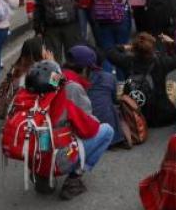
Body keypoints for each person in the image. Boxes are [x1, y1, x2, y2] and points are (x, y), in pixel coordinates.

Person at [26, 60, 114, 200]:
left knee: (44, 135)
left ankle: (41, 176)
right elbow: (89, 129)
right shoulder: (70, 90)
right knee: (107, 130)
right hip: (60, 159)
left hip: (32, 157)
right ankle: (73, 180)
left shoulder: (26, 95)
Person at [106, 32, 176, 127]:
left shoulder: (127, 61)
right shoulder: (161, 62)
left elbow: (110, 52)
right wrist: (172, 43)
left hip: (134, 112)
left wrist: (126, 47)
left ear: (134, 48)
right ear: (152, 49)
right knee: (172, 85)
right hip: (161, 116)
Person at [86, 0, 145, 78]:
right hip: (121, 19)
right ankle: (121, 83)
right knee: (122, 51)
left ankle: (106, 82)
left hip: (102, 20)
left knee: (107, 52)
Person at [87, 48, 127, 149]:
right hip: (110, 129)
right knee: (111, 106)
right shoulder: (109, 77)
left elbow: (54, 84)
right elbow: (115, 99)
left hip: (87, 126)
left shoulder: (72, 79)